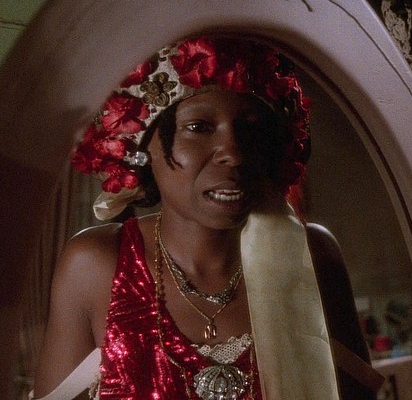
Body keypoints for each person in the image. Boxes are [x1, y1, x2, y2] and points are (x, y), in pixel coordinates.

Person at [32, 37, 380, 399]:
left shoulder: (311, 256)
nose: (233, 153)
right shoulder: (97, 265)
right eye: (199, 127)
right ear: (141, 144)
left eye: (250, 127)